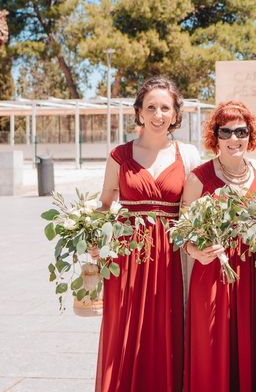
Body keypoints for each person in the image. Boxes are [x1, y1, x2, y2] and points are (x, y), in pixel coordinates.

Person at [94, 76, 200, 392]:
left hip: (171, 257)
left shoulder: (189, 155)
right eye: (150, 107)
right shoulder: (119, 155)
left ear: (175, 114)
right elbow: (104, 204)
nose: (158, 115)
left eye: (165, 108)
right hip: (127, 256)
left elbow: (195, 211)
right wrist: (95, 240)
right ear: (139, 112)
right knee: (124, 332)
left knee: (168, 331)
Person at [181, 101, 256, 392]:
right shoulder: (198, 177)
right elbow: (183, 234)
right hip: (212, 274)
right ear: (215, 136)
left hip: (252, 276)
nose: (234, 139)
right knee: (211, 351)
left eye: (241, 131)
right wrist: (198, 253)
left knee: (251, 345)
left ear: (250, 134)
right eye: (226, 132)